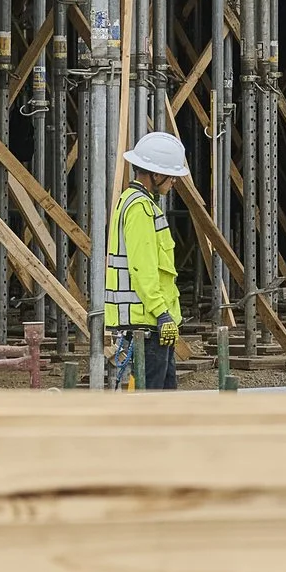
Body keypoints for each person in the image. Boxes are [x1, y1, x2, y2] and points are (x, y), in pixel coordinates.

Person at [104, 130, 188, 390]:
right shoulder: (140, 208)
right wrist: (162, 313)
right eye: (171, 177)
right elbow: (143, 268)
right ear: (156, 174)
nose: (173, 182)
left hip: (149, 322)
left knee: (163, 395)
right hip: (147, 322)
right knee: (153, 399)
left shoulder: (135, 202)